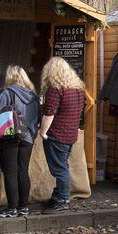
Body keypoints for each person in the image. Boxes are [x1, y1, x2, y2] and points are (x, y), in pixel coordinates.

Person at [0, 65, 41, 218]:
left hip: (11, 136)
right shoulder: (33, 95)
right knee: (23, 170)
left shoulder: (7, 93)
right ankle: (23, 207)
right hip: (28, 137)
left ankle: (12, 207)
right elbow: (38, 117)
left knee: (10, 172)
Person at [39, 56, 86, 214]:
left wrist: (43, 132)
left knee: (60, 169)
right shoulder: (78, 88)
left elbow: (49, 113)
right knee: (62, 166)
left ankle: (63, 199)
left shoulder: (55, 88)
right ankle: (59, 195)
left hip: (57, 133)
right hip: (71, 133)